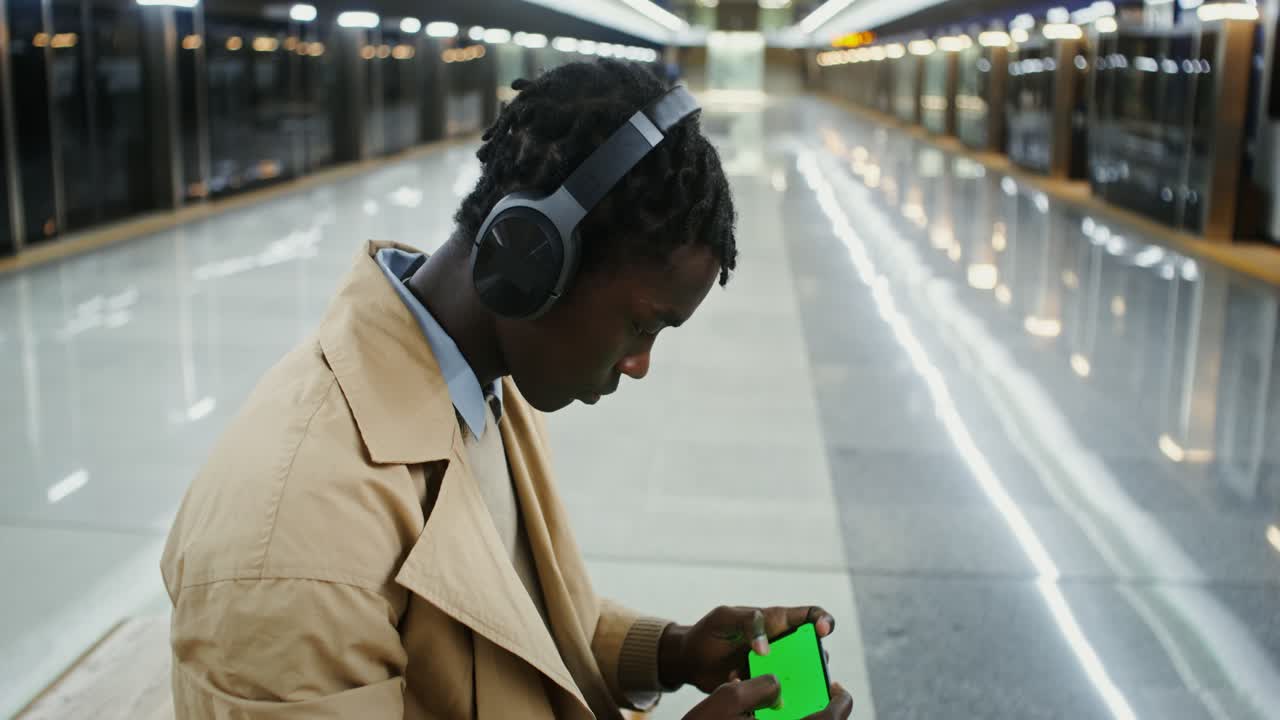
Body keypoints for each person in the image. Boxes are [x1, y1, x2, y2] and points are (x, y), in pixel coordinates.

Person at [161, 59, 854, 720]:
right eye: (643, 325)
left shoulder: (485, 384)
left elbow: (515, 625)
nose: (641, 364)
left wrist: (672, 651)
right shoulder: (293, 541)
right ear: (533, 258)